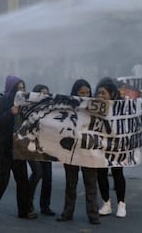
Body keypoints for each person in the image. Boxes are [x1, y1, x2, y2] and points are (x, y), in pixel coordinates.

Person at [0, 75, 38, 221]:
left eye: (23, 88)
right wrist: (10, 113)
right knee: (3, 177)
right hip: (0, 145)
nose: (21, 91)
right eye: (18, 88)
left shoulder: (24, 104)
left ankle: (25, 209)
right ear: (11, 89)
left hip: (16, 145)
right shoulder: (1, 102)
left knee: (22, 177)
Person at [56, 79, 100, 225]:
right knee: (71, 183)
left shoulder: (95, 107)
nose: (85, 95)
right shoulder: (68, 108)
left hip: (88, 150)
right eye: (82, 93)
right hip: (71, 150)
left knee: (91, 183)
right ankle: (67, 212)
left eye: (88, 92)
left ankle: (93, 214)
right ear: (75, 93)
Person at [95, 77, 127, 218]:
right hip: (101, 145)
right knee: (101, 173)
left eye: (103, 93)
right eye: (99, 93)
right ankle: (106, 203)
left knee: (117, 173)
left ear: (112, 94)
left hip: (116, 146)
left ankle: (121, 204)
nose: (100, 96)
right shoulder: (94, 106)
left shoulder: (122, 106)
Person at [28, 84, 55, 216]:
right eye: (42, 93)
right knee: (37, 173)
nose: (45, 96)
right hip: (32, 146)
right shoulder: (29, 109)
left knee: (48, 177)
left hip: (46, 146)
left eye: (47, 94)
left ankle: (45, 206)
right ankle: (28, 202)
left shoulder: (51, 110)